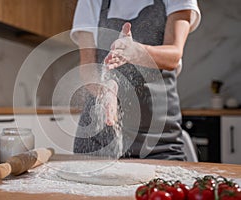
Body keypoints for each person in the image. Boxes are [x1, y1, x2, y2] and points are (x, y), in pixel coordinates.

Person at [70, 0, 201, 160]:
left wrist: (137, 52)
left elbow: (173, 55)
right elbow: (88, 66)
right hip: (98, 137)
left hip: (157, 138)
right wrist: (105, 91)